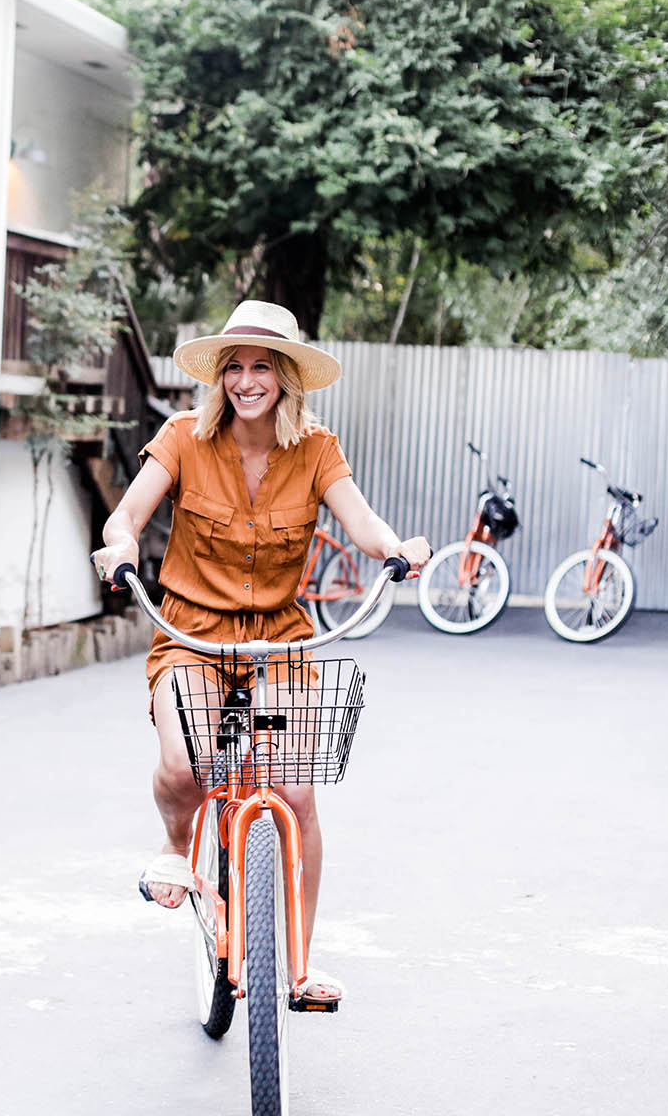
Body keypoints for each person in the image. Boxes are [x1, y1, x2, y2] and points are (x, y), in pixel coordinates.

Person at [90, 300, 430, 1005]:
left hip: (279, 642)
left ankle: (300, 965)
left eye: (262, 367)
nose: (248, 380)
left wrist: (397, 549)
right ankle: (177, 847)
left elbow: (363, 523)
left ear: (285, 378)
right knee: (187, 769)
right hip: (191, 636)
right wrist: (120, 543)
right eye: (235, 367)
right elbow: (127, 513)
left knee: (296, 792)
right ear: (221, 377)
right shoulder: (183, 437)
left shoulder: (317, 449)